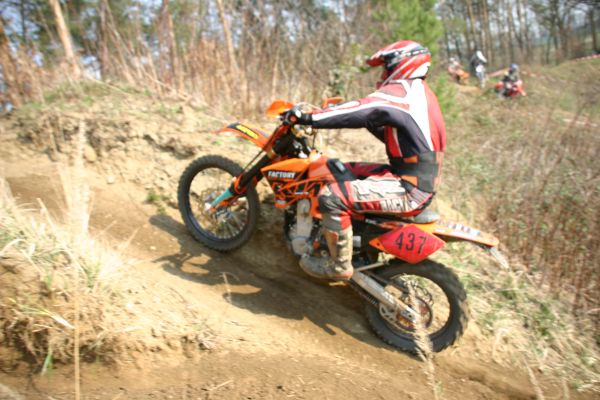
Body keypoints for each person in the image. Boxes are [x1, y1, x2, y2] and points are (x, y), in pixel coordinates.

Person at [284, 40, 447, 280]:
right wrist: (352, 118)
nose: (382, 76)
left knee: (332, 197)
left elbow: (362, 109)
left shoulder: (404, 92)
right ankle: (350, 240)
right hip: (414, 179)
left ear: (401, 64)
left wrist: (309, 117)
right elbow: (394, 131)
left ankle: (338, 265)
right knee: (337, 169)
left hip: (409, 188)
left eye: (385, 68)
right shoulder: (421, 95)